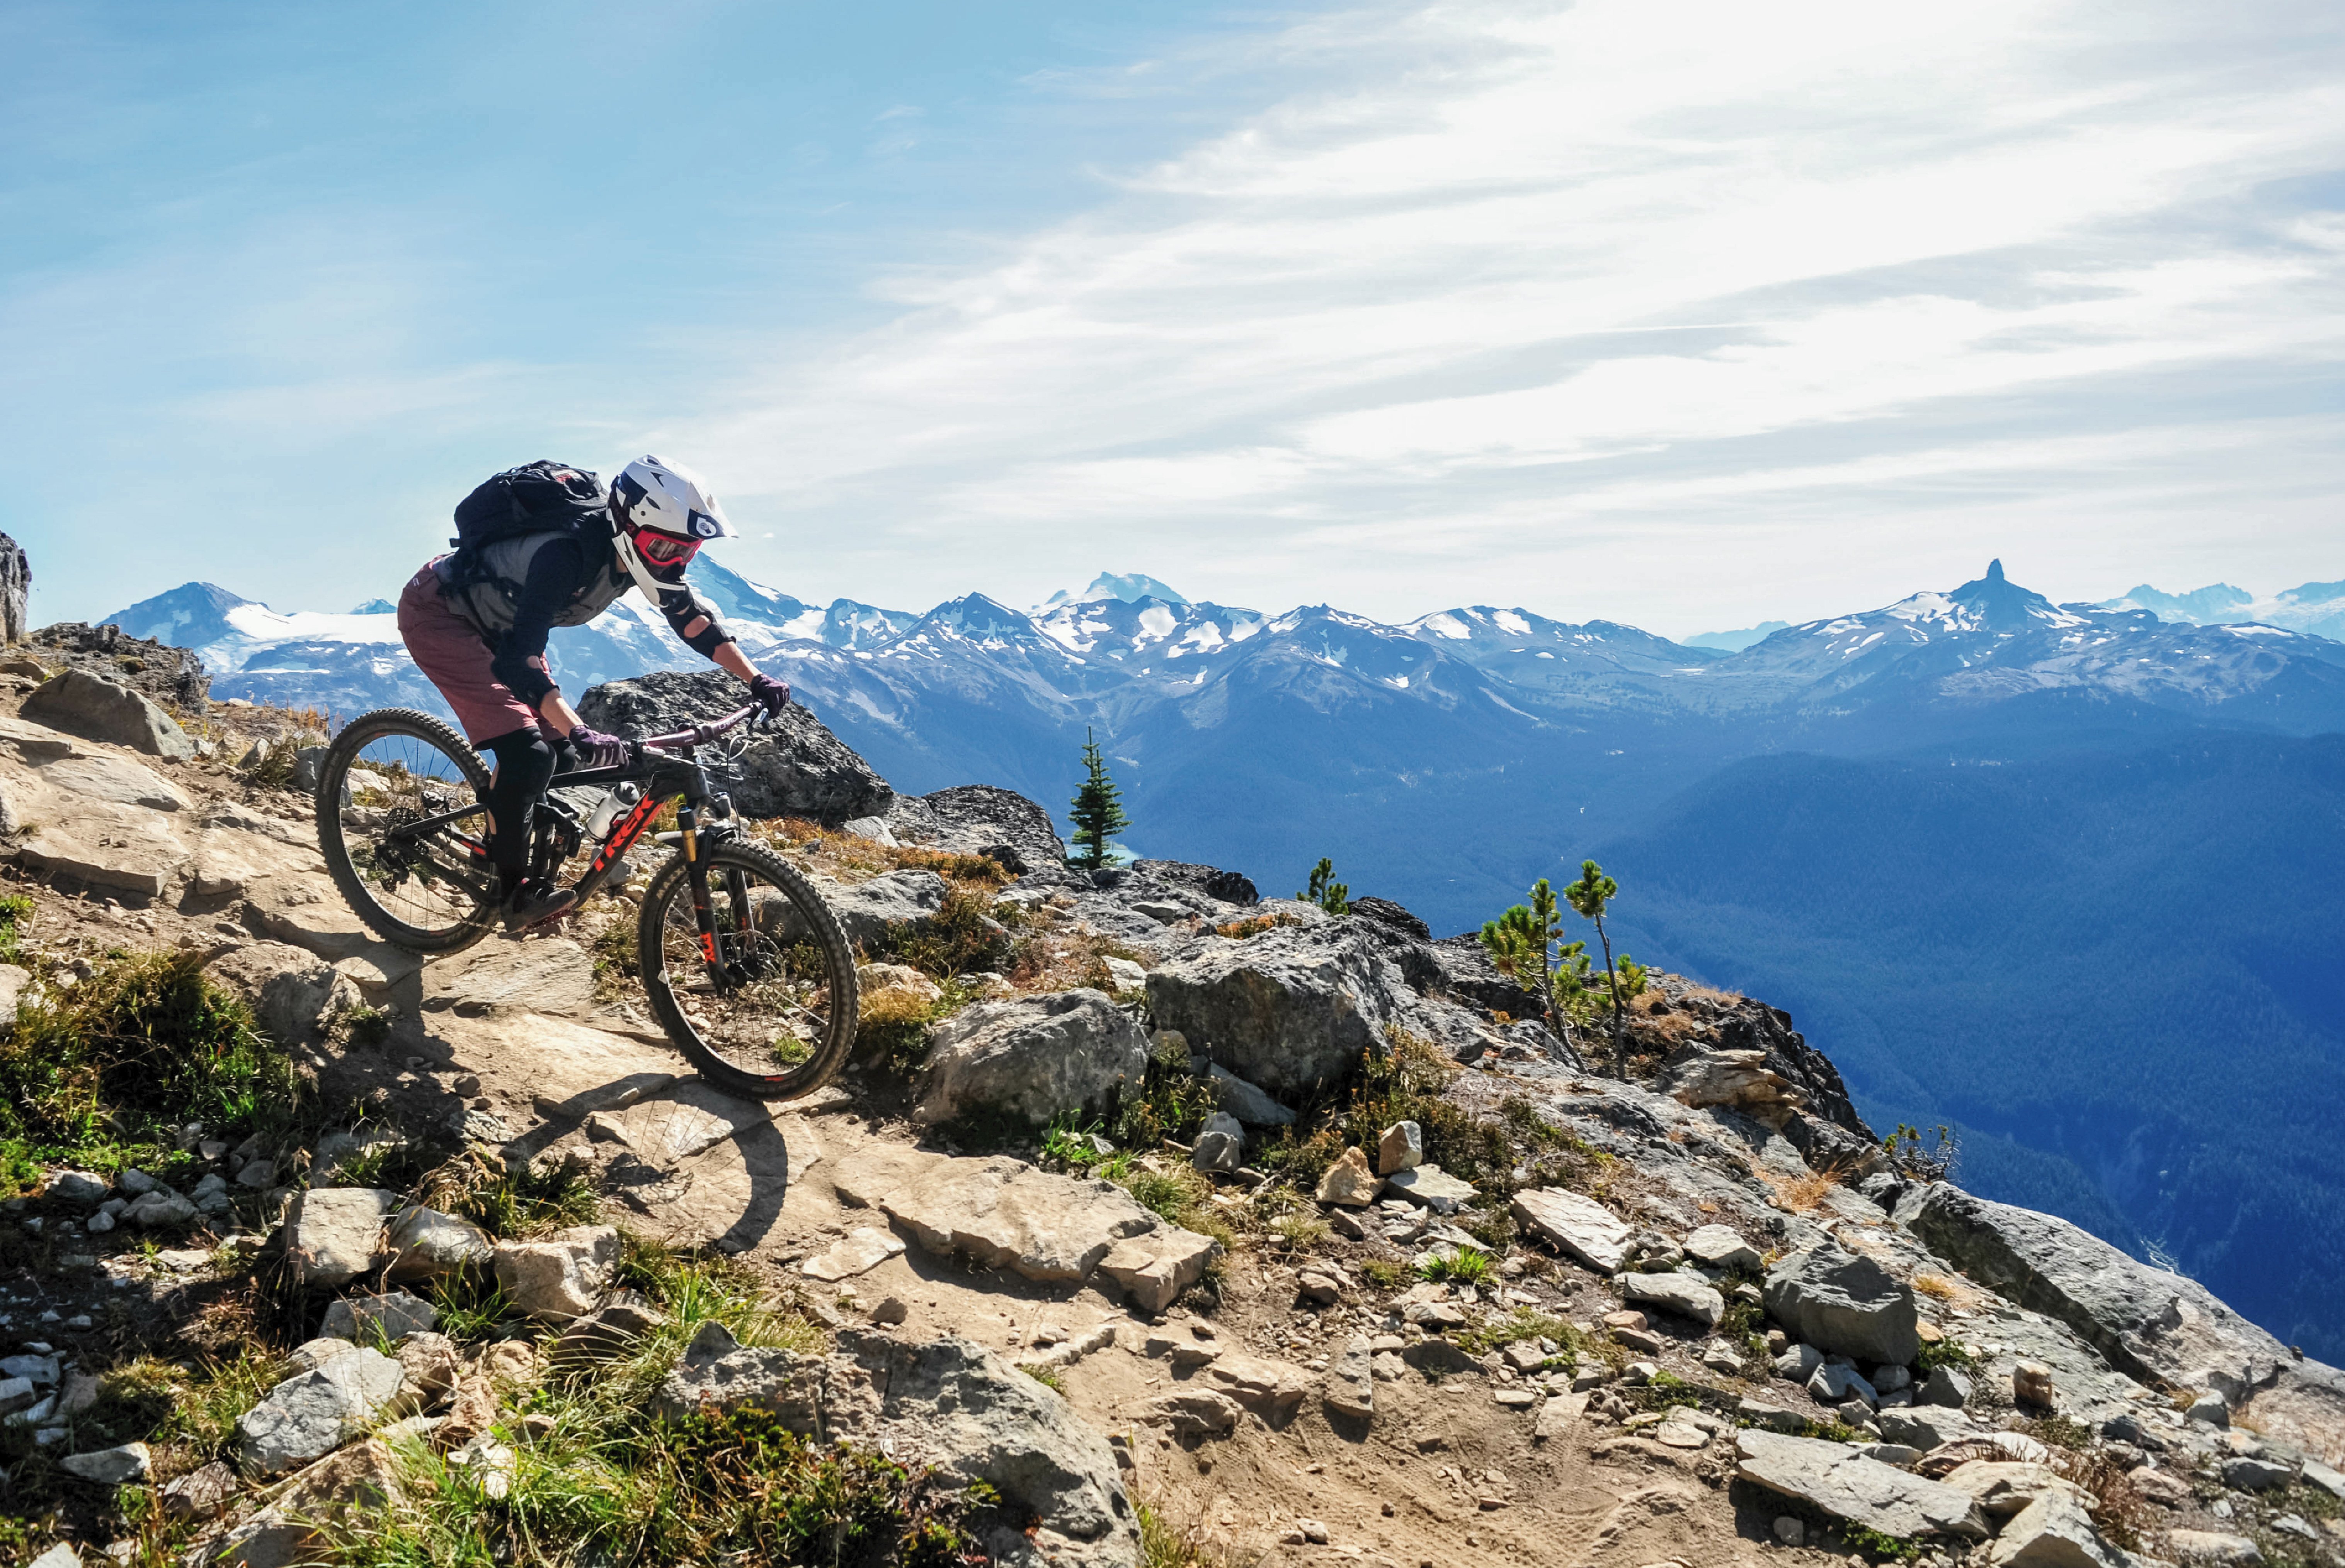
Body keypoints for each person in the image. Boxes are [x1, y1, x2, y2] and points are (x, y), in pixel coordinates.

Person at [397, 454, 791, 928]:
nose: (675, 561)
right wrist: (583, 730)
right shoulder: (565, 554)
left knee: (560, 755)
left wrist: (755, 678)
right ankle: (512, 892)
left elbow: (692, 619)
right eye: (666, 547)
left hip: (503, 626)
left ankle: (504, 841)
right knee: (529, 755)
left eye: (687, 552)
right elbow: (519, 661)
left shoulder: (638, 555)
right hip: (443, 618)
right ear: (629, 525)